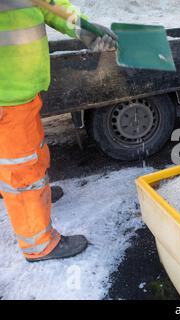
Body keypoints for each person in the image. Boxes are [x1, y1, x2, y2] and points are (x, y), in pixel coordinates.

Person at [0, 0, 117, 262]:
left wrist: (85, 29)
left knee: (32, 154)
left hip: (21, 91)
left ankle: (36, 197)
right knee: (22, 171)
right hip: (5, 98)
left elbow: (47, 4)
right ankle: (39, 243)